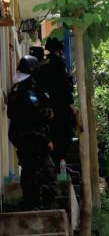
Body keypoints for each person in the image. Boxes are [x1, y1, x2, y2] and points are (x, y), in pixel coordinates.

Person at [7, 55, 57, 210]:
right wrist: (45, 136)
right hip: (32, 138)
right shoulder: (27, 91)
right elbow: (35, 117)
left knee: (30, 171)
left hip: (21, 137)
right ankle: (39, 207)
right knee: (44, 173)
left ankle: (31, 204)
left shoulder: (17, 88)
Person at [34, 37, 75, 166]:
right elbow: (65, 87)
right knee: (63, 139)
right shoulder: (59, 64)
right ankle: (60, 166)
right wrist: (71, 105)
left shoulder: (42, 65)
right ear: (60, 50)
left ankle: (55, 165)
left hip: (46, 108)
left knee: (51, 138)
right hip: (61, 108)